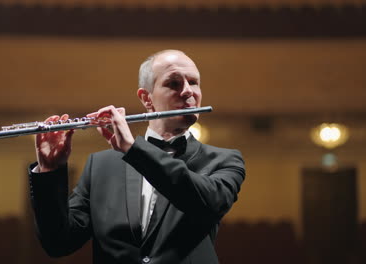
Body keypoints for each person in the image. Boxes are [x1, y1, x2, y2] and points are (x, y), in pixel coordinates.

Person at [28, 50, 245, 264]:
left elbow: (207, 204)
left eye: (194, 82)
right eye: (174, 83)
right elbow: (58, 243)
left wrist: (134, 150)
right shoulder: (101, 166)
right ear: (146, 98)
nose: (189, 92)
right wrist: (50, 172)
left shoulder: (224, 161)